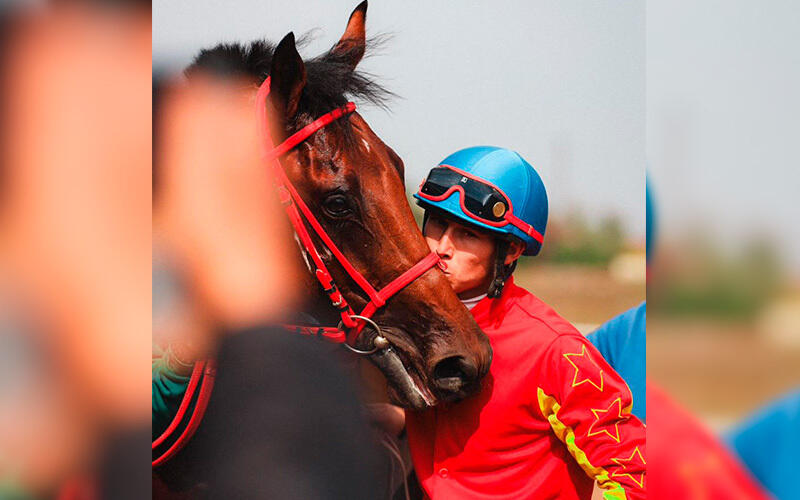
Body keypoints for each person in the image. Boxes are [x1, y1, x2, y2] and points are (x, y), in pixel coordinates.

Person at [407, 146, 646, 499]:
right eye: (438, 223)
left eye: (467, 234)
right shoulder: (405, 325)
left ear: (513, 250)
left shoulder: (555, 350)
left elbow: (637, 474)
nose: (442, 247)